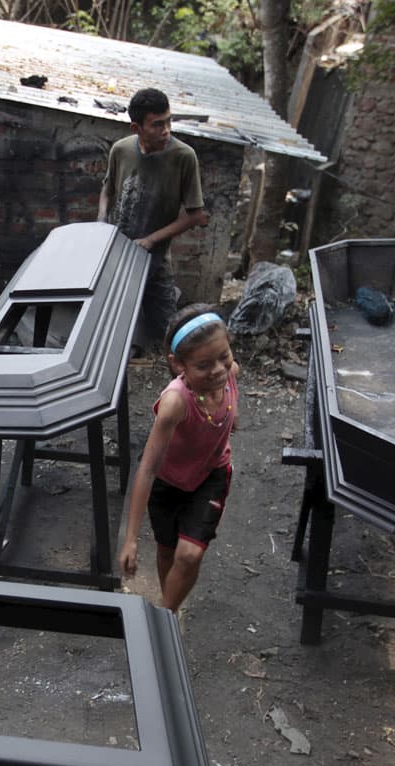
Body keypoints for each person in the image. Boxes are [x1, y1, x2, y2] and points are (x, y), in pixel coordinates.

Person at [117, 304, 239, 613]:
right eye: (203, 365)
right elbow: (148, 468)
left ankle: (165, 617)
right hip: (168, 484)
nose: (219, 370)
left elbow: (228, 404)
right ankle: (170, 608)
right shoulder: (175, 404)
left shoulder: (230, 373)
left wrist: (228, 422)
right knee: (167, 553)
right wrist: (131, 538)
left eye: (224, 356)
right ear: (178, 365)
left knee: (189, 555)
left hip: (211, 475)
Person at [97, 87, 209, 350]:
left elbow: (195, 215)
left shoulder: (184, 157)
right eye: (157, 125)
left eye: (169, 121)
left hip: (155, 259)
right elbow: (107, 188)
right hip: (117, 254)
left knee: (170, 334)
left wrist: (150, 240)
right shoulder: (121, 150)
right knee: (109, 323)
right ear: (136, 127)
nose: (166, 130)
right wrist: (101, 220)